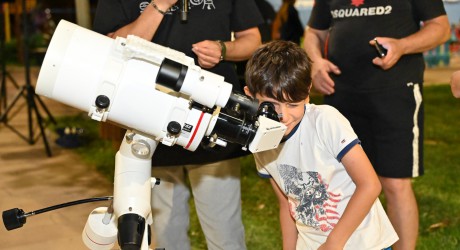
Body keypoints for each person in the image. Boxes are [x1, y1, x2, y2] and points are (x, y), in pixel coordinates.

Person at [92, 1, 263, 249]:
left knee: (225, 233)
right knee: (167, 235)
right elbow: (111, 45)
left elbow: (252, 38)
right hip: (150, 123)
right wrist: (159, 5)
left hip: (213, 122)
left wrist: (223, 49)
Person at [303, 1, 450, 249]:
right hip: (339, 94)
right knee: (340, 182)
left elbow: (441, 27)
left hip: (394, 92)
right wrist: (316, 61)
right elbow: (314, 33)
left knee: (395, 183)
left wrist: (402, 46)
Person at [243, 40, 398, 249]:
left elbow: (370, 185)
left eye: (293, 104)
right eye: (272, 106)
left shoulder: (325, 121)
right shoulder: (262, 139)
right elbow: (285, 203)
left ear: (307, 91)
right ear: (250, 95)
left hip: (363, 242)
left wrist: (334, 243)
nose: (284, 116)